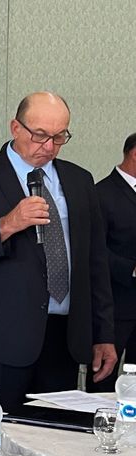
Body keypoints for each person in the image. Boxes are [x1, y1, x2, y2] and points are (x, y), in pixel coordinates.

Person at [0, 91, 116, 424]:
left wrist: (104, 333)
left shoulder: (80, 180)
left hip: (63, 337)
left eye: (59, 137)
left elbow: (95, 263)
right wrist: (6, 224)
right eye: (40, 135)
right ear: (15, 127)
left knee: (54, 439)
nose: (49, 146)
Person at [87, 132, 136, 391]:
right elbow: (92, 251)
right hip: (113, 309)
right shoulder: (100, 194)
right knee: (102, 385)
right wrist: (131, 269)